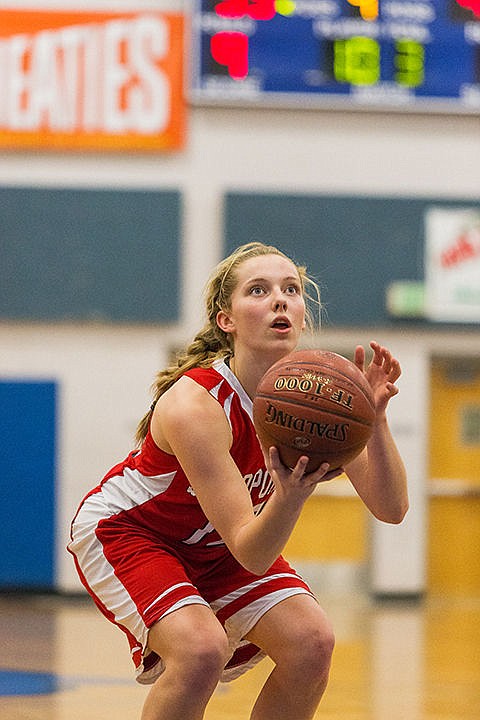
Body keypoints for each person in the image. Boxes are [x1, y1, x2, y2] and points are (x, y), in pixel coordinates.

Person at [68, 241, 408, 720]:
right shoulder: (196, 406)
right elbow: (252, 551)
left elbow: (391, 508)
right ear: (226, 320)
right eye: (258, 290)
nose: (279, 299)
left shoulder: (320, 397)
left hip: (217, 542)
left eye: (291, 289)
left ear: (304, 317)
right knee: (200, 650)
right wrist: (290, 495)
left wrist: (375, 419)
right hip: (134, 531)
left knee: (312, 642)